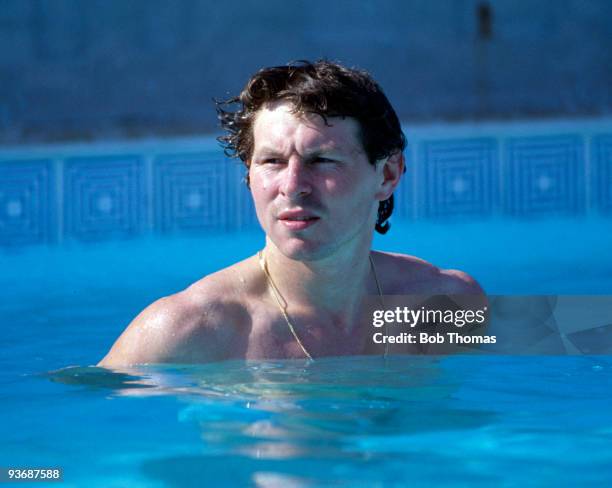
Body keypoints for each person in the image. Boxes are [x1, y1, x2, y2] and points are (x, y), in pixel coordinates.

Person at [98, 60, 483, 366]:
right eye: (272, 161)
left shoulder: (443, 304)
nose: (293, 184)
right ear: (249, 174)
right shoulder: (190, 330)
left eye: (322, 160)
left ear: (387, 174)